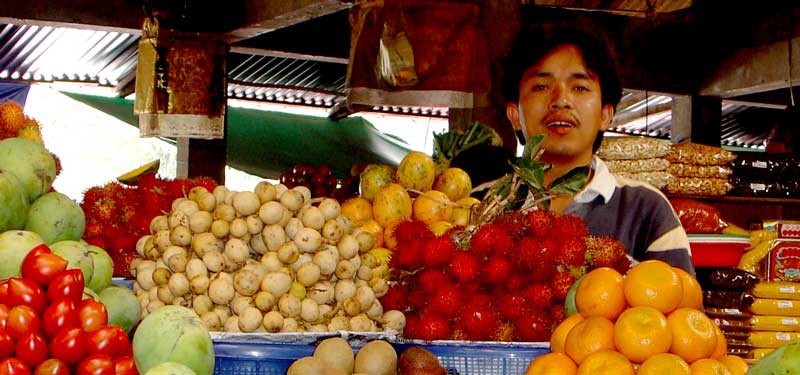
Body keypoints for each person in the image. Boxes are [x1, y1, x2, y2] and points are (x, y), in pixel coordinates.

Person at [501, 23, 695, 274]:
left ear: (606, 114)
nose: (561, 100)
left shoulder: (646, 209)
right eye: (541, 86)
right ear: (514, 114)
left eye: (580, 87)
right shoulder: (484, 204)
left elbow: (682, 307)